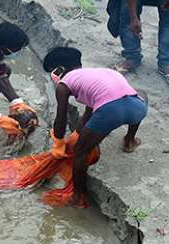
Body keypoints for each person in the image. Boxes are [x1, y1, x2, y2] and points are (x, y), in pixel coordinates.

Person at [44, 46, 147, 206]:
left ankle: (77, 196)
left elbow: (61, 119)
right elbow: (90, 111)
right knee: (137, 96)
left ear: (60, 69)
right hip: (138, 108)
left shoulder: (63, 85)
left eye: (53, 72)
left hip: (111, 111)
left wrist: (58, 141)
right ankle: (129, 140)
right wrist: (78, 133)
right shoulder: (97, 74)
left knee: (80, 152)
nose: (53, 77)